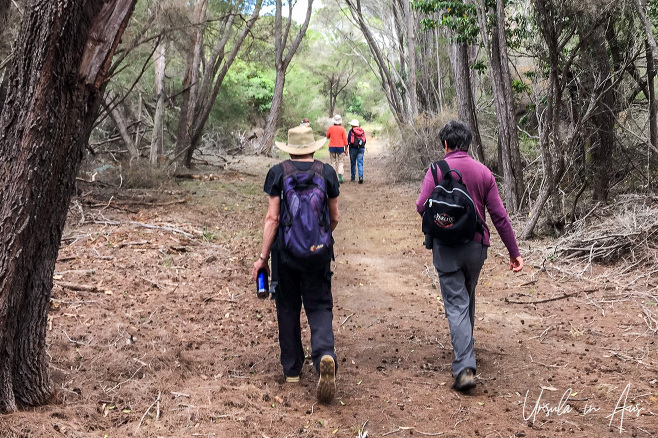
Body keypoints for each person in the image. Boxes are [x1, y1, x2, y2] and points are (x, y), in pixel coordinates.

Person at [415, 120, 524, 393]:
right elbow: (499, 216)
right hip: (476, 248)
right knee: (466, 296)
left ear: (446, 144)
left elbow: (420, 206)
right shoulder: (483, 173)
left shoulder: (436, 170)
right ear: (468, 144)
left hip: (446, 250)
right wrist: (514, 252)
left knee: (456, 303)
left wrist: (443, 221)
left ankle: (465, 367)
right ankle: (467, 349)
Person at [252, 125, 340, 403]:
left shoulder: (278, 173)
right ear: (313, 148)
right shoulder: (327, 173)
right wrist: (318, 240)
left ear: (289, 149)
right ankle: (325, 353)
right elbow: (334, 217)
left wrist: (263, 257)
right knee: (320, 305)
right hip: (319, 255)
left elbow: (272, 219)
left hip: (284, 255)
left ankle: (291, 370)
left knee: (287, 307)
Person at [326, 114, 348, 183]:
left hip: (332, 146)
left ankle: (334, 176)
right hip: (340, 147)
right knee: (341, 162)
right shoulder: (342, 129)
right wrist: (346, 149)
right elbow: (345, 140)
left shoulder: (330, 128)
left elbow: (327, 136)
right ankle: (340, 175)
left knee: (333, 162)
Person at [347, 119, 367, 183]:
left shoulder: (351, 131)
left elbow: (348, 140)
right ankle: (360, 177)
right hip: (361, 148)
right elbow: (365, 140)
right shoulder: (362, 131)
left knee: (353, 163)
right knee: (360, 163)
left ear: (352, 125)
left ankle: (353, 178)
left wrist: (346, 148)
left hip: (353, 148)